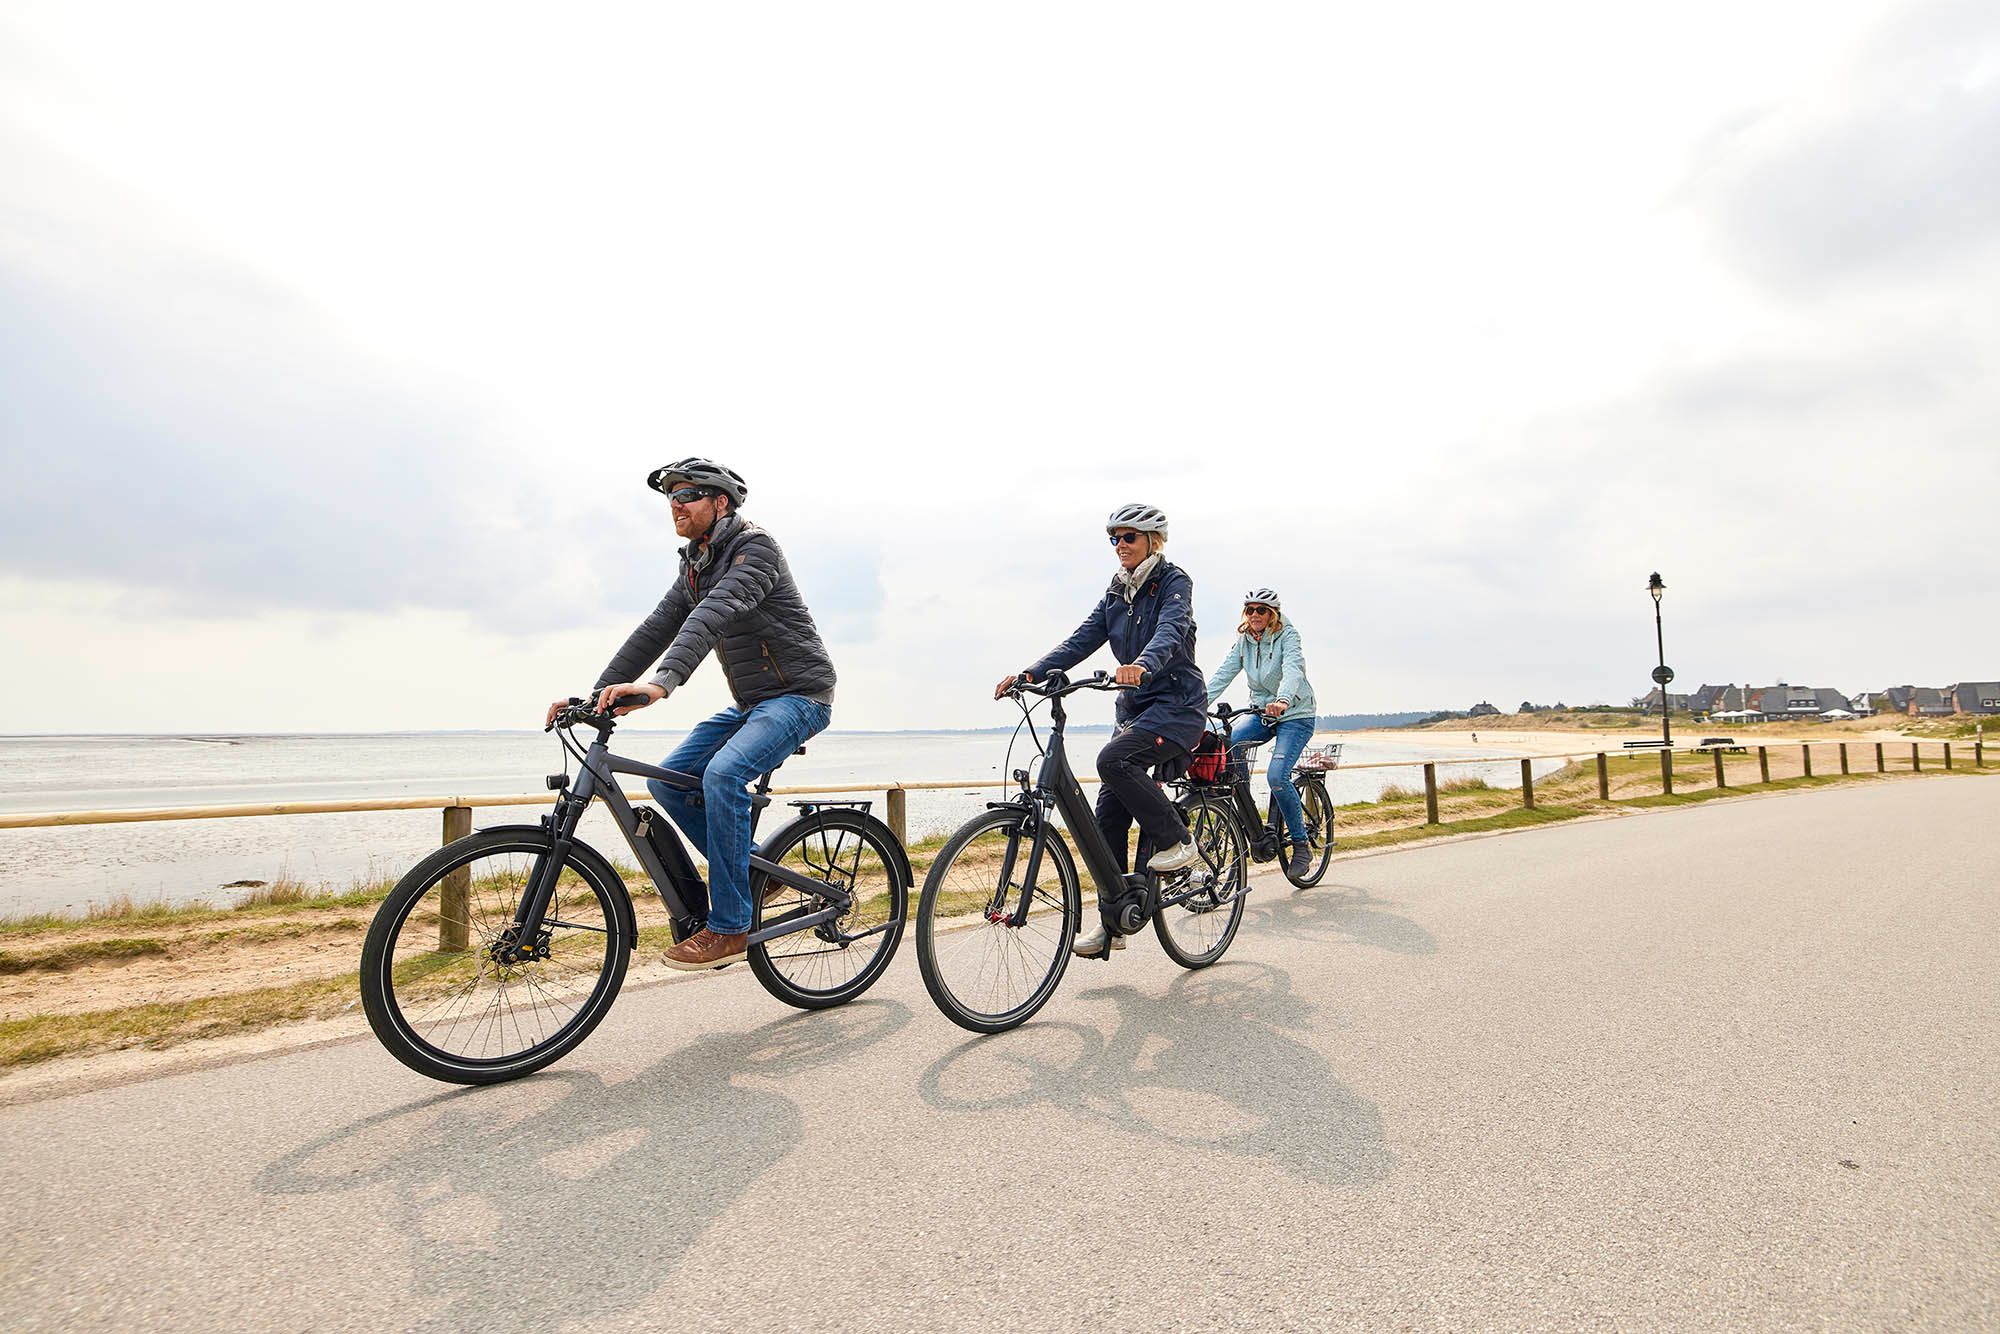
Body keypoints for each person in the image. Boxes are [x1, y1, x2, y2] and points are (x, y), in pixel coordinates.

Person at [546, 457, 836, 971]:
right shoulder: (695, 566)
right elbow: (657, 628)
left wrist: (661, 683)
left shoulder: (755, 549)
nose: (674, 506)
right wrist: (596, 696)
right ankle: (754, 876)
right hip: (751, 704)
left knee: (723, 776)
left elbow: (712, 615)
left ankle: (729, 927)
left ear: (719, 503)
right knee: (670, 781)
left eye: (686, 496)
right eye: (670, 497)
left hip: (801, 697)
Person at [995, 503, 1209, 957]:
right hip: (1134, 710)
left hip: (1177, 706)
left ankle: (1178, 842)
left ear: (1154, 540)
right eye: (1113, 539)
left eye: (1128, 537)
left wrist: (1142, 665)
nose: (1120, 546)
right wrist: (1030, 674)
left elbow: (1171, 630)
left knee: (1112, 760)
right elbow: (1082, 638)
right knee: (1107, 815)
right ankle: (1115, 921)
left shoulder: (1173, 582)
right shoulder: (1116, 592)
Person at [1206, 587, 1320, 878]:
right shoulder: (1245, 641)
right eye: (1250, 610)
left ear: (1273, 615)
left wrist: (1282, 700)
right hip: (1261, 713)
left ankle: (1300, 844)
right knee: (1230, 746)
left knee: (1276, 775)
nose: (1255, 615)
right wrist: (1194, 705)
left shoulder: (1289, 636)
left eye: (1261, 610)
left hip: (1295, 714)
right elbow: (1224, 673)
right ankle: (1248, 810)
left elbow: (1293, 670)